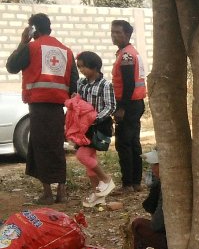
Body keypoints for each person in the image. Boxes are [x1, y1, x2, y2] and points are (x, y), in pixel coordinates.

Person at [5, 13, 78, 204]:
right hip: (58, 106)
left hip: (38, 105)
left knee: (40, 146)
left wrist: (23, 41)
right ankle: (61, 191)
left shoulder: (31, 47)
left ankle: (47, 193)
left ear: (33, 29)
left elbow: (11, 66)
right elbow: (74, 81)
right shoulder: (66, 51)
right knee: (56, 146)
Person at [71, 51, 116, 207]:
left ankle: (106, 179)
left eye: (84, 67)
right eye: (80, 67)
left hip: (98, 126)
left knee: (82, 156)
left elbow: (111, 106)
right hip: (84, 127)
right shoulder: (81, 84)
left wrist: (95, 119)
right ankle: (98, 195)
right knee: (90, 161)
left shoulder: (105, 84)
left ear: (95, 67)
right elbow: (79, 102)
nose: (82, 70)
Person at [111, 19, 147, 193]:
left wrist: (121, 108)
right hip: (135, 103)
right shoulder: (130, 52)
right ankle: (136, 182)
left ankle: (128, 184)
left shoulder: (126, 55)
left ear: (127, 34)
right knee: (133, 142)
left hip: (128, 104)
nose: (114, 35)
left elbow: (128, 84)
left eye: (118, 32)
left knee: (124, 144)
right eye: (113, 32)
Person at [131, 149, 167, 249]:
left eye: (155, 165)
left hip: (171, 240)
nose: (152, 168)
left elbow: (157, 225)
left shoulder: (165, 187)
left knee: (138, 224)